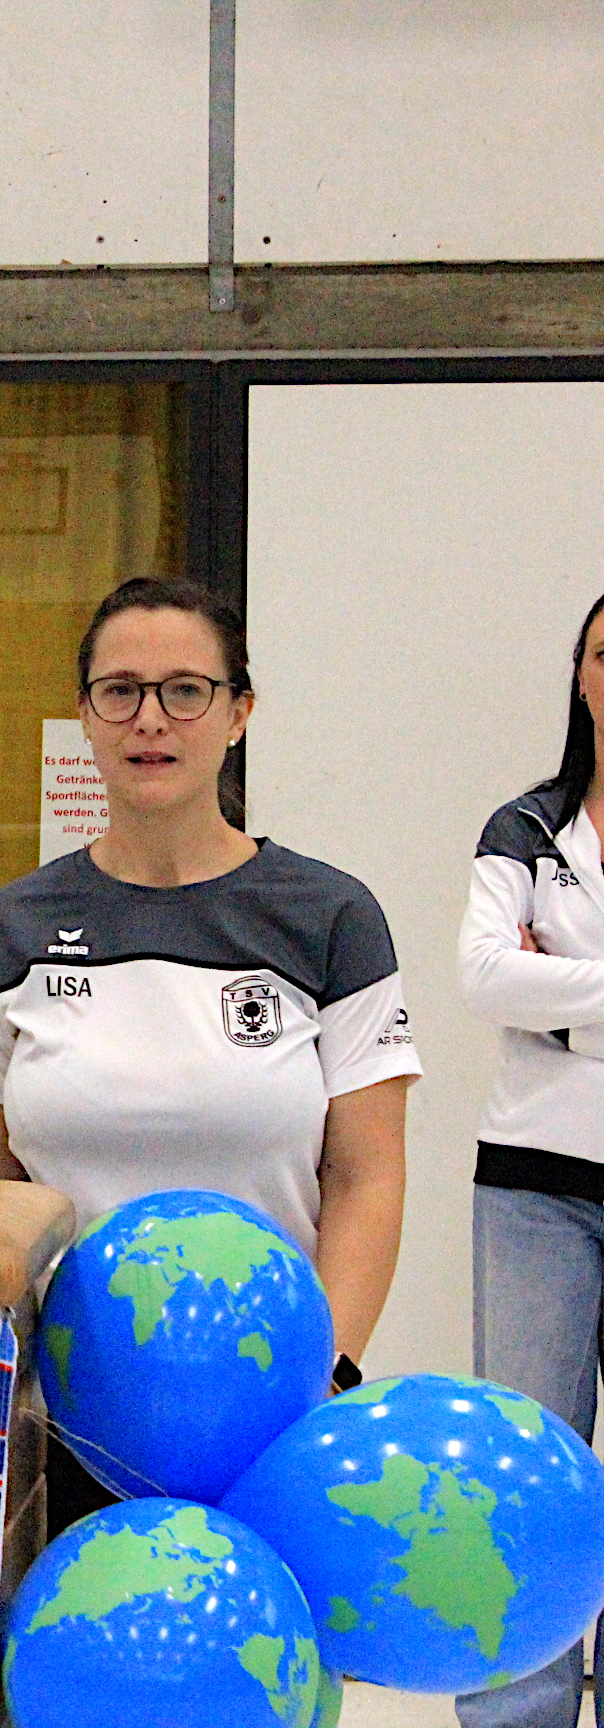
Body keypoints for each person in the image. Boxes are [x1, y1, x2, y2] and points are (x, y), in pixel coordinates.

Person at [0, 576, 418, 1529]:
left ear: (239, 713)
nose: (150, 719)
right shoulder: (16, 926)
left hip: (269, 1416)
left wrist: (322, 1378)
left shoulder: (331, 918)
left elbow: (366, 1175)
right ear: (86, 716)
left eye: (185, 690)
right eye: (119, 691)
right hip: (55, 1414)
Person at [454, 591, 604, 1728]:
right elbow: (482, 977)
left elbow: (526, 988)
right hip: (536, 1186)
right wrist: (534, 995)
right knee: (521, 1479)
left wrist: (564, 1013)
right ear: (581, 676)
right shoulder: (527, 827)